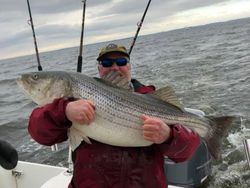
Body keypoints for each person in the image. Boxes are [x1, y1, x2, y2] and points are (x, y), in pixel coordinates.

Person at [28, 43, 200, 188]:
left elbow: (187, 150)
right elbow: (39, 133)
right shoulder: (69, 103)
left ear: (129, 66)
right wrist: (64, 111)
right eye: (107, 62)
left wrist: (168, 136)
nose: (115, 67)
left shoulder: (151, 98)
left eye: (121, 61)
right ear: (99, 68)